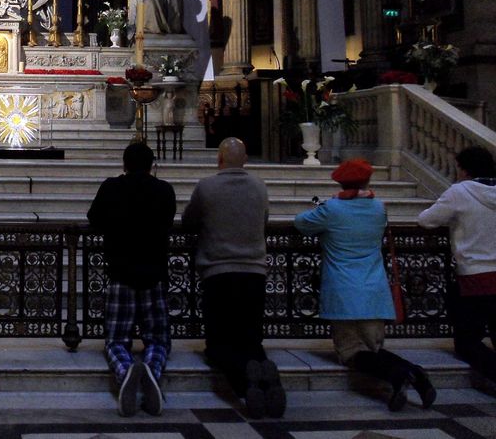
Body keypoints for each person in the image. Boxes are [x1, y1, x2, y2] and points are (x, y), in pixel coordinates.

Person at [296, 159, 436, 410]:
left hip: (343, 291)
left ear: (340, 182)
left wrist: (328, 205)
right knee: (373, 349)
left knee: (351, 352)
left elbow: (301, 223)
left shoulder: (332, 210)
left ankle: (401, 375)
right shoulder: (378, 208)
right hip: (373, 290)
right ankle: (414, 373)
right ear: (368, 181)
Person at [182, 137, 285, 419]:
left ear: (219, 159)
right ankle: (264, 371)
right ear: (246, 160)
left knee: (219, 343)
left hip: (218, 272)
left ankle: (245, 385)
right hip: (253, 271)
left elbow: (189, 221)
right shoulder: (259, 186)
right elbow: (264, 221)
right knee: (251, 338)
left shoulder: (206, 187)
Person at [87, 142, 176, 417]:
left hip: (121, 272)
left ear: (124, 164)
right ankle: (151, 368)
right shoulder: (164, 190)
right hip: (154, 273)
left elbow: (94, 220)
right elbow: (169, 221)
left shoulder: (111, 187)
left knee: (115, 340)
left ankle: (126, 372)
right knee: (158, 339)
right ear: (152, 165)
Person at [417, 146, 496, 387]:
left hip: (475, 274)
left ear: (464, 169)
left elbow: (427, 220)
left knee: (467, 340)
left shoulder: (460, 192)